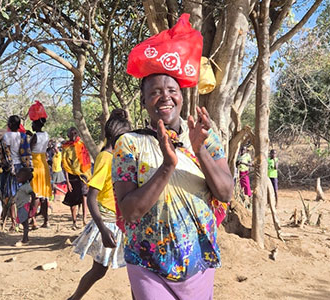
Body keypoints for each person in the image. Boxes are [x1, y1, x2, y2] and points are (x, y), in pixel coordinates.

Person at [112, 14, 233, 300]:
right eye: (154, 92)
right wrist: (167, 165)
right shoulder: (129, 144)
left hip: (198, 259)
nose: (164, 97)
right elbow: (130, 212)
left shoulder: (203, 136)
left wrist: (199, 148)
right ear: (144, 101)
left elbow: (226, 193)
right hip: (146, 261)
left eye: (171, 90)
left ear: (181, 96)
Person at [67, 109, 131, 300]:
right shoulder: (106, 157)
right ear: (117, 137)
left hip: (123, 221)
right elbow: (92, 196)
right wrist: (103, 229)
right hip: (108, 220)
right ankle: (74, 298)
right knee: (99, 270)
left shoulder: (122, 156)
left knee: (135, 270)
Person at [0, 115, 32, 231]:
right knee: (21, 196)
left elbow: (3, 155)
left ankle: (13, 223)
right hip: (21, 168)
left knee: (10, 197)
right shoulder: (23, 137)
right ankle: (22, 221)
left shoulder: (5, 137)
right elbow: (27, 154)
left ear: (10, 124)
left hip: (9, 169)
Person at [62, 127, 92, 229]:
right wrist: (67, 181)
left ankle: (84, 219)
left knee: (84, 196)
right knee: (72, 199)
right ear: (68, 135)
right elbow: (65, 165)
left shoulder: (81, 145)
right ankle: (74, 221)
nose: (74, 135)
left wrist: (88, 175)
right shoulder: (66, 147)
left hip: (83, 174)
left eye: (75, 133)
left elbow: (86, 160)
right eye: (72, 133)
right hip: (71, 175)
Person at [30, 118, 52, 228]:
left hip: (36, 164)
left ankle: (33, 220)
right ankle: (46, 220)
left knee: (35, 194)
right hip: (44, 164)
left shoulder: (35, 136)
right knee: (44, 195)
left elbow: (30, 149)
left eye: (33, 124)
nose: (32, 126)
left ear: (36, 125)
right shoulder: (46, 135)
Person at [14, 167, 39, 246]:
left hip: (24, 206)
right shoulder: (23, 186)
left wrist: (32, 204)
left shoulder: (26, 186)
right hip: (21, 206)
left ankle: (25, 239)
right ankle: (26, 238)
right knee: (23, 222)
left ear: (24, 178)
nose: (17, 178)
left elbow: (33, 194)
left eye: (19, 177)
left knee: (25, 223)